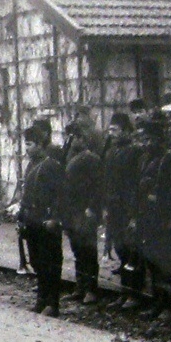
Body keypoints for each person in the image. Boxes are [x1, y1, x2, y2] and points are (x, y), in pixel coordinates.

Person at [132, 117, 171, 322]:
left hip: (165, 219)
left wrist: (163, 202)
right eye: (144, 140)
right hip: (148, 218)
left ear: (160, 140)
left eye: (150, 140)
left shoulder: (170, 159)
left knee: (168, 264)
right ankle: (158, 302)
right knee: (153, 263)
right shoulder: (144, 159)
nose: (146, 144)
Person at [18, 123, 65, 316]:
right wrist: (21, 217)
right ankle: (41, 299)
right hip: (32, 220)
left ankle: (52, 304)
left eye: (29, 144)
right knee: (37, 261)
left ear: (39, 144)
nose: (26, 149)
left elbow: (61, 196)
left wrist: (55, 218)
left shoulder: (52, 166)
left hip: (46, 222)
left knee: (50, 263)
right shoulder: (31, 165)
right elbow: (26, 194)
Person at [102, 113, 144, 308]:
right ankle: (124, 292)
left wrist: (133, 211)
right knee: (119, 248)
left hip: (128, 206)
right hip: (114, 206)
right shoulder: (111, 151)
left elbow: (135, 183)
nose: (112, 134)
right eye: (110, 130)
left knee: (131, 251)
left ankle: (135, 294)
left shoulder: (134, 151)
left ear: (126, 131)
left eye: (116, 130)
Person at [60, 122, 103, 304]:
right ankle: (81, 287)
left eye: (73, 137)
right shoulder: (70, 156)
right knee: (78, 250)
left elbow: (98, 187)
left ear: (82, 139)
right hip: (72, 210)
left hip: (84, 211)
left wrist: (92, 208)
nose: (69, 140)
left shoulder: (91, 159)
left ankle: (91, 290)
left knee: (88, 251)